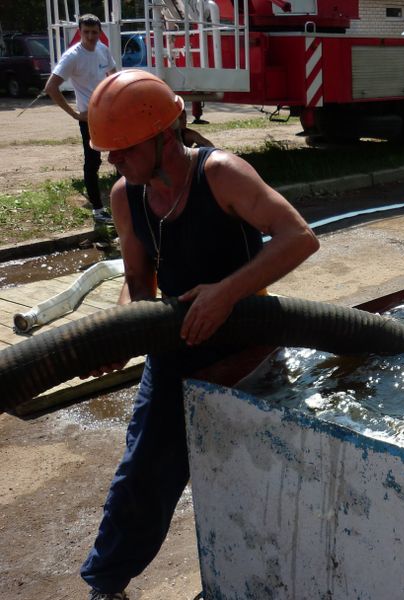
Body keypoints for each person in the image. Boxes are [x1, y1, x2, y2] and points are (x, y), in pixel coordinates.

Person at [79, 69, 320, 600]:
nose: (112, 161)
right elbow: (139, 282)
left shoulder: (223, 176)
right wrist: (121, 331)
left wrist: (226, 292)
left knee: (254, 476)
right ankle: (107, 585)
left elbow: (299, 237)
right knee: (141, 477)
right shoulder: (127, 197)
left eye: (122, 149)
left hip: (247, 349)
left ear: (166, 136)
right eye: (108, 151)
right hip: (176, 348)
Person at [44, 14, 117, 224]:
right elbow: (50, 87)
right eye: (86, 32)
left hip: (109, 114)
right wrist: (76, 114)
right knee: (93, 162)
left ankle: (128, 200)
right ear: (80, 32)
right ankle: (98, 210)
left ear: (100, 32)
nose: (91, 36)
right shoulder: (73, 56)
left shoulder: (103, 49)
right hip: (89, 118)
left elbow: (113, 75)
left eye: (94, 32)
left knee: (123, 154)